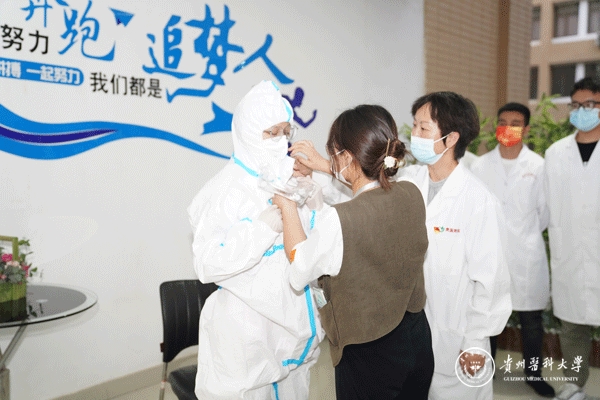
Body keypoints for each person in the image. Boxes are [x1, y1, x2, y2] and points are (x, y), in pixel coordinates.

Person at [276, 104, 434, 399]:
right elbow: (371, 184)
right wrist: (325, 165)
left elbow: (299, 270)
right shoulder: (412, 191)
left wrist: (287, 206)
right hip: (417, 341)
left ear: (348, 157)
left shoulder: (339, 220)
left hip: (369, 356)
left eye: (334, 154)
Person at [187, 80, 324, 399]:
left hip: (292, 336)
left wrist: (314, 204)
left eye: (285, 132)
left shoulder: (290, 177)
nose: (281, 141)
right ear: (248, 131)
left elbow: (309, 249)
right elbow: (206, 264)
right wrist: (261, 229)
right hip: (246, 340)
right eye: (271, 132)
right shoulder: (223, 190)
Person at [398, 92, 512, 399]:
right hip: (411, 333)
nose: (415, 135)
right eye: (414, 126)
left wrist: (475, 343)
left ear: (451, 139)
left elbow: (491, 281)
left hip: (457, 337)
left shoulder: (478, 201)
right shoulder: (407, 181)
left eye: (424, 128)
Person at [470, 102, 554, 398]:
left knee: (531, 320)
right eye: (503, 122)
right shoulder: (480, 166)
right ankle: (486, 371)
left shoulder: (538, 166)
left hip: (526, 254)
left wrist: (522, 236)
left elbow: (545, 213)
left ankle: (534, 374)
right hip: (490, 254)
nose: (508, 128)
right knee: (490, 315)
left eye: (515, 123)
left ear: (526, 129)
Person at [544, 77, 600, 400]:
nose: (582, 111)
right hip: (569, 254)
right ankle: (574, 384)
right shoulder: (556, 153)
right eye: (576, 105)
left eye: (590, 104)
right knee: (572, 328)